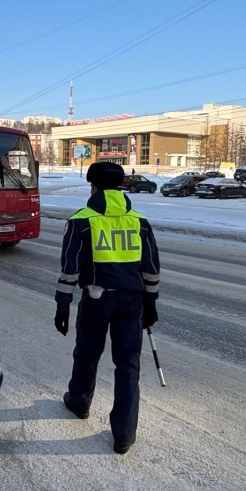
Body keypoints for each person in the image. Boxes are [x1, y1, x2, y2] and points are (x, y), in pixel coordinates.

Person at [54, 162, 161, 454]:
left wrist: (63, 306)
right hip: (132, 302)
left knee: (87, 354)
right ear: (120, 187)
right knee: (128, 366)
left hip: (96, 299)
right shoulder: (139, 222)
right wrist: (150, 303)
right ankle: (124, 435)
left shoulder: (81, 221)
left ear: (94, 187)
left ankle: (79, 402)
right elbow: (151, 269)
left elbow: (70, 269)